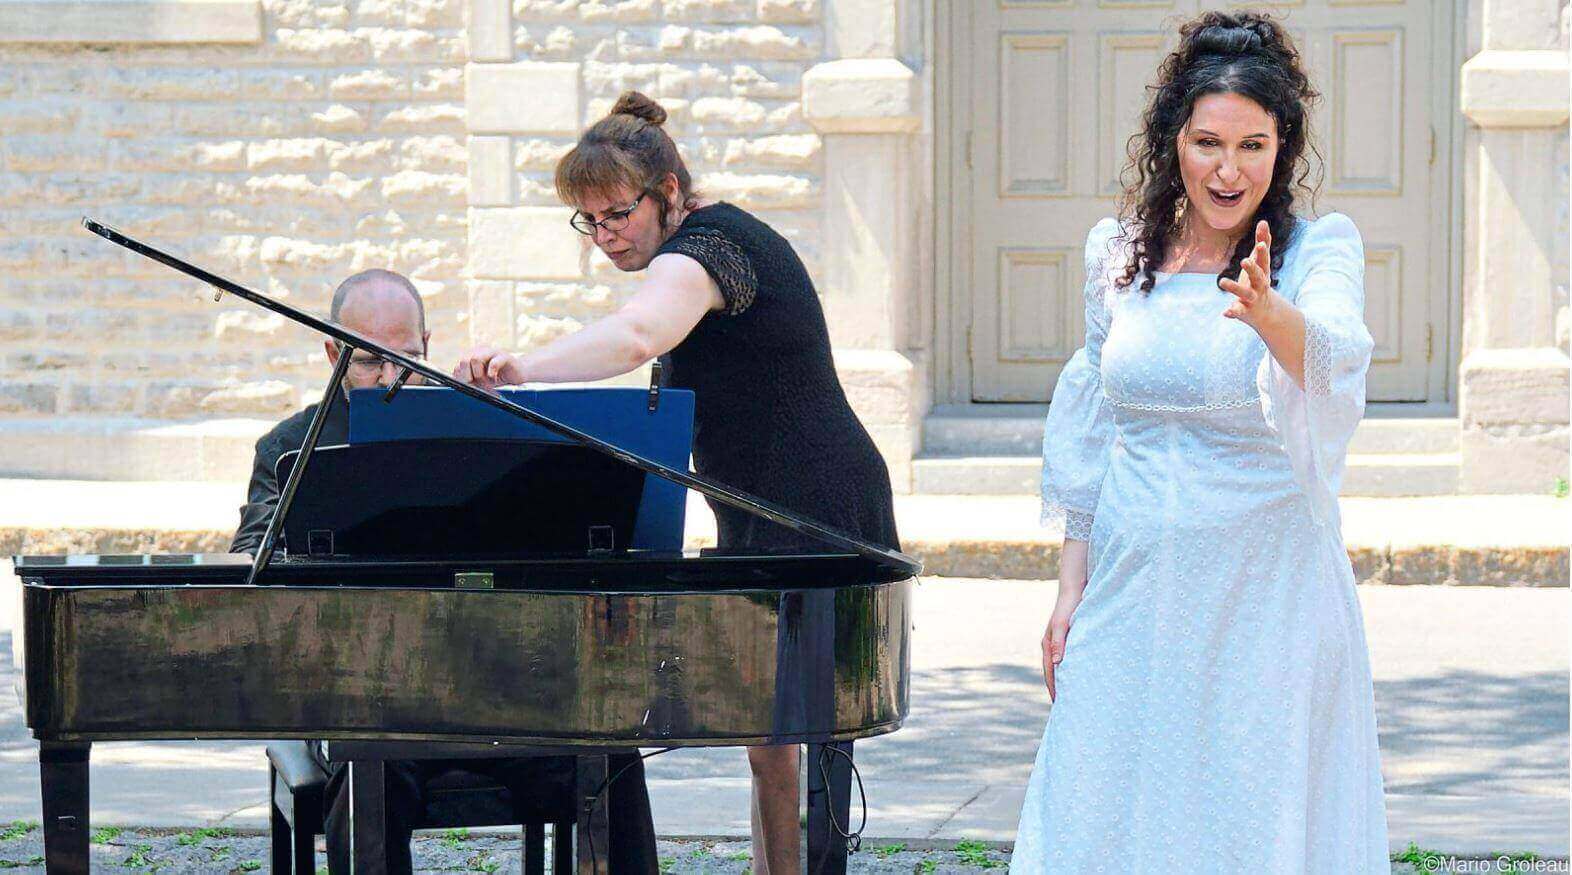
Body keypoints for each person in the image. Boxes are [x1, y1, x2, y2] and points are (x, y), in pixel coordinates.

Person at [454, 91, 901, 874]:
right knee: (765, 737)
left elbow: (638, 333)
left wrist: (521, 371)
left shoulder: (711, 244)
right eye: (588, 221)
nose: (604, 235)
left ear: (667, 194)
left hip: (820, 504)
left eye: (617, 213)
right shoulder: (697, 242)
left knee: (798, 728)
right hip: (758, 510)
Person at [1012, 12, 1388, 872]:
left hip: (1268, 595)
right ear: (1171, 139)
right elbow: (1093, 427)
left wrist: (1270, 313)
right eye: (1208, 141)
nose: (1229, 169)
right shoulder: (1118, 254)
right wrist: (1070, 589)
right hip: (1134, 583)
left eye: (1253, 145)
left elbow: (1334, 365)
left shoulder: (1316, 252)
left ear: (1282, 146)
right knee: (1097, 796)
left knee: (1244, 811)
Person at [231, 268, 659, 874]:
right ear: (332, 352)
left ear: (426, 347)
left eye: (404, 358)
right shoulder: (291, 443)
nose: (388, 378)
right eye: (367, 361)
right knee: (367, 766)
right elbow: (252, 556)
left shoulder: (469, 425)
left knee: (610, 753)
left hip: (497, 687)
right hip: (375, 699)